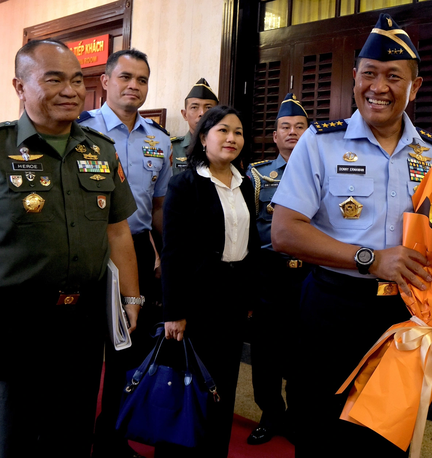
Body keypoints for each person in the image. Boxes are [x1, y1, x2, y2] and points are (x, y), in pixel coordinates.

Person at [270, 13, 432, 458]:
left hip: (405, 320)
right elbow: (285, 231)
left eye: (393, 76)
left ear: (416, 86)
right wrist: (371, 258)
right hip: (332, 309)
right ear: (354, 78)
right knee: (318, 433)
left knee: (386, 440)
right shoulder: (320, 142)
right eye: (369, 74)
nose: (378, 87)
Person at [0, 39, 139, 458]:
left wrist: (131, 296)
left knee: (74, 428)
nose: (70, 91)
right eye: (54, 79)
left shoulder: (100, 149)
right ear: (20, 87)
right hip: (15, 318)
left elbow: (117, 231)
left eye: (77, 80)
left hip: (82, 317)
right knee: (15, 432)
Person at [78, 48, 172, 458]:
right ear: (105, 82)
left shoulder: (160, 140)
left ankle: (111, 437)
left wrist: (165, 255)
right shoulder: (81, 129)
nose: (134, 86)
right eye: (126, 77)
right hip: (84, 248)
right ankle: (74, 438)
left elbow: (158, 210)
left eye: (143, 79)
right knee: (80, 351)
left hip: (133, 250)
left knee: (126, 352)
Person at [161, 106, 260, 457]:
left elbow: (250, 244)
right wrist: (173, 311)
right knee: (190, 386)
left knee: (223, 385)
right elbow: (172, 252)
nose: (232, 138)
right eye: (223, 131)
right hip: (196, 301)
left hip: (232, 300)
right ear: (203, 138)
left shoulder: (245, 183)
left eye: (238, 132)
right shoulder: (185, 183)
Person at [245, 92, 309, 445]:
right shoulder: (257, 175)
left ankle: (299, 418)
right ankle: (271, 414)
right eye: (285, 127)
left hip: (311, 275)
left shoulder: (323, 173)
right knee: (266, 353)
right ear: (274, 135)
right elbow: (248, 230)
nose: (292, 133)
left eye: (300, 127)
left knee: (304, 352)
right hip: (269, 274)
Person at [171, 78, 219, 176]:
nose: (202, 113)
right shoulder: (172, 148)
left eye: (208, 107)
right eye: (194, 107)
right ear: (184, 114)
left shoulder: (225, 147)